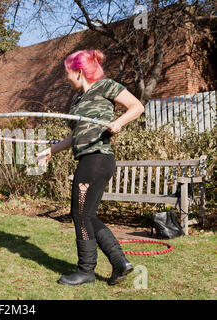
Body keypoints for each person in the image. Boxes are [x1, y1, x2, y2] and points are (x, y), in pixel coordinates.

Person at [36, 49, 145, 285]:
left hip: (98, 158)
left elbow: (137, 106)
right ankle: (119, 263)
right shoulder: (77, 101)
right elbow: (75, 137)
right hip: (88, 159)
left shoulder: (105, 86)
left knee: (80, 214)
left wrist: (118, 122)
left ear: (78, 71)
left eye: (67, 73)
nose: (66, 78)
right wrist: (50, 151)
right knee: (86, 215)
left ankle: (86, 270)